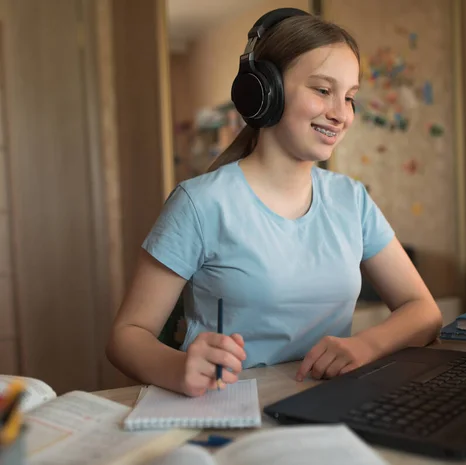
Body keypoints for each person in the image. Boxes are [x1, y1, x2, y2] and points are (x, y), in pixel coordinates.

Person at [106, 8, 442, 397]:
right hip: (226, 409)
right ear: (265, 91)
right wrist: (178, 367)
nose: (340, 114)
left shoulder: (352, 199)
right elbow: (126, 336)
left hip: (325, 406)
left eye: (349, 97)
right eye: (322, 90)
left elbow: (423, 310)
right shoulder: (200, 203)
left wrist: (364, 346)